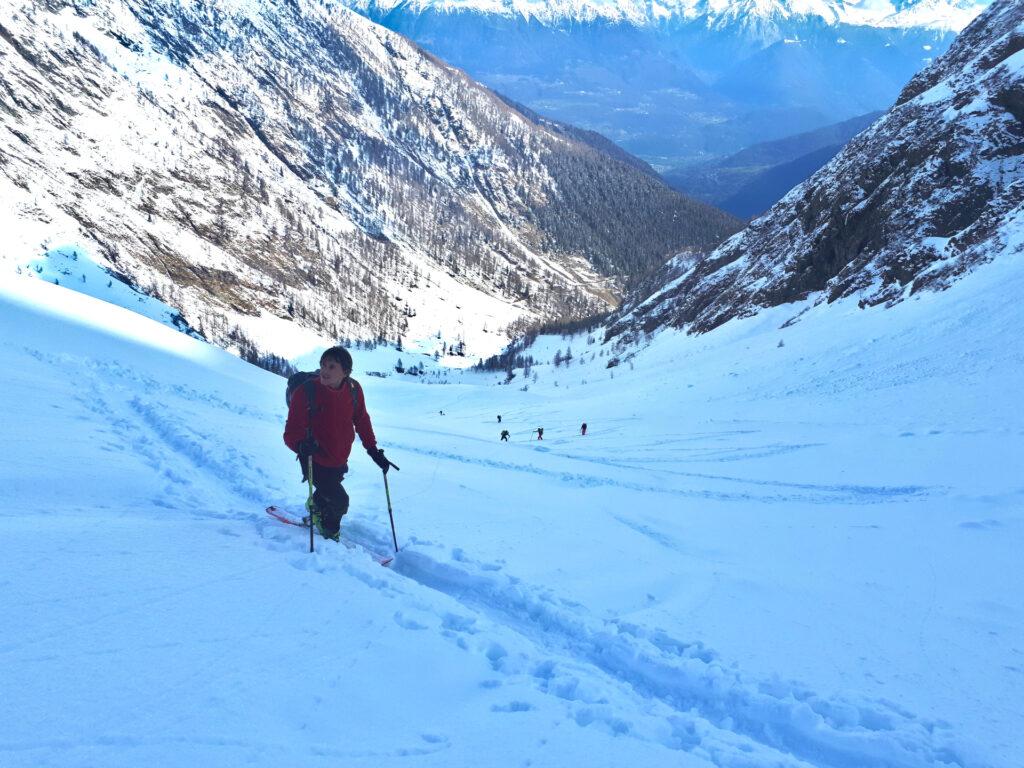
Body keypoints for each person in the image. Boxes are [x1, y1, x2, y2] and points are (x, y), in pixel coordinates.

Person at [283, 346, 390, 541]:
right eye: (323, 365)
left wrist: (373, 451)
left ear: (346, 372)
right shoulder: (305, 392)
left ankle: (315, 504)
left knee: (330, 490)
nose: (325, 371)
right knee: (340, 501)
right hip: (313, 458)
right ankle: (330, 533)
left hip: (339, 456)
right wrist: (300, 446)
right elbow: (290, 433)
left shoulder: (354, 390)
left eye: (332, 366)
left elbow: (362, 420)